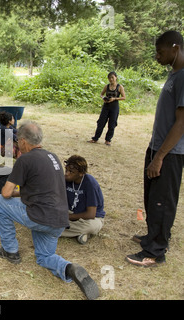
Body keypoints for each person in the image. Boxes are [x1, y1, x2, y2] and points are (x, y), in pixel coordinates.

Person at [0, 121, 100, 300]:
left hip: (38, 217)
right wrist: (20, 193)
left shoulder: (25, 159)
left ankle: (10, 250)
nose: (18, 145)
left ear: (24, 142)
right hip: (58, 221)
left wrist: (12, 192)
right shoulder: (53, 157)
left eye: (18, 142)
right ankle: (69, 268)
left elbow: (6, 193)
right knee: (44, 257)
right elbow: (38, 189)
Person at [126, 30, 184, 267]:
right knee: (152, 197)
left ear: (175, 48)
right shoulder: (174, 74)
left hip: (170, 153)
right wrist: (154, 150)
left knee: (162, 201)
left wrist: (160, 156)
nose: (157, 57)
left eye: (160, 52)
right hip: (157, 148)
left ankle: (155, 251)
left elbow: (181, 123)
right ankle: (153, 236)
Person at [61, 155, 105, 244]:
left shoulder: (90, 183)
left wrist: (66, 217)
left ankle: (55, 230)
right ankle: (78, 233)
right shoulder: (66, 179)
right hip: (71, 212)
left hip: (91, 219)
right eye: (66, 170)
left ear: (81, 173)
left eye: (71, 172)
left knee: (90, 226)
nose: (67, 173)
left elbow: (90, 214)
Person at [88, 71, 126, 146]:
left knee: (112, 124)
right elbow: (101, 94)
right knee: (101, 122)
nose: (111, 79)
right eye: (109, 78)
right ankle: (95, 138)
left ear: (116, 77)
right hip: (106, 106)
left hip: (114, 107)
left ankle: (108, 140)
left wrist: (114, 98)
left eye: (112, 77)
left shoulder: (119, 87)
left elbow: (124, 97)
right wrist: (104, 98)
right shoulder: (107, 86)